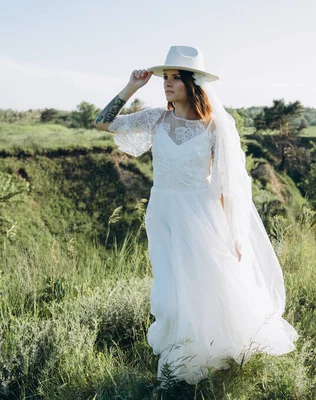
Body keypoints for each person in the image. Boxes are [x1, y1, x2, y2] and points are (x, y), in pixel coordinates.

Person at [94, 45, 298, 385]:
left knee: (203, 283)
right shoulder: (157, 119)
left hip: (200, 212)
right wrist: (132, 87)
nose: (167, 83)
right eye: (166, 78)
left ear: (193, 84)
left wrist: (232, 232)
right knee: (171, 284)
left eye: (175, 78)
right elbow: (103, 124)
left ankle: (199, 355)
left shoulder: (214, 127)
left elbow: (226, 185)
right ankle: (182, 345)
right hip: (162, 210)